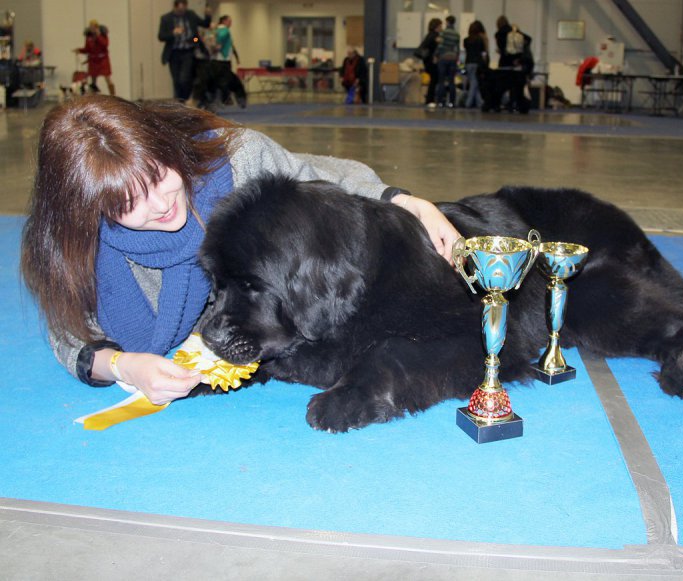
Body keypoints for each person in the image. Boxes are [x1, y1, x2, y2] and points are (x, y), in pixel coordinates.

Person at [20, 95, 460, 405]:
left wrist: (404, 200)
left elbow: (315, 177)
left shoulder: (234, 159)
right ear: (89, 211)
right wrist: (123, 366)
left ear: (162, 146)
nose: (159, 204)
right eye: (127, 202)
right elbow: (71, 335)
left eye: (156, 175)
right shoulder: (82, 247)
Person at [159, 0, 212, 101]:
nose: (182, 12)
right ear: (175, 7)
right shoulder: (166, 18)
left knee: (185, 78)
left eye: (184, 9)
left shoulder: (191, 15)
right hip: (174, 53)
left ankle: (185, 99)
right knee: (176, 80)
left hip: (188, 52)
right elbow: (161, 36)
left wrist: (208, 15)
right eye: (179, 10)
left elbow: (204, 26)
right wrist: (173, 33)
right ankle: (180, 101)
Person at [75, 20, 114, 96]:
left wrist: (98, 35)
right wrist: (79, 50)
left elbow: (105, 45)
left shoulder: (103, 35)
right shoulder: (89, 36)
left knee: (108, 79)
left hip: (103, 60)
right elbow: (87, 49)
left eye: (93, 26)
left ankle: (113, 96)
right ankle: (94, 96)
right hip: (93, 60)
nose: (92, 28)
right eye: (91, 26)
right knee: (93, 81)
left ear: (97, 27)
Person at [434, 15, 460, 108]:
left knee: (441, 81)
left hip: (443, 58)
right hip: (453, 58)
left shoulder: (443, 33)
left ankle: (441, 102)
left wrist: (436, 55)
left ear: (448, 22)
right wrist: (456, 58)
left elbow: (440, 46)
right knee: (451, 81)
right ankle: (452, 102)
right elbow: (457, 48)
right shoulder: (457, 34)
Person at [463, 20, 488, 109]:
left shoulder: (466, 40)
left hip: (468, 62)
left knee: (474, 82)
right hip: (477, 62)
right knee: (475, 83)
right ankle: (468, 102)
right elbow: (483, 52)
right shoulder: (480, 39)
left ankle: (479, 102)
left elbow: (466, 51)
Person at [418, 18, 442, 109]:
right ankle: (430, 99)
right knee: (434, 80)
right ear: (436, 27)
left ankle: (430, 98)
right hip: (431, 61)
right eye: (440, 26)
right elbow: (435, 49)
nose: (441, 28)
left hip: (427, 61)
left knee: (433, 80)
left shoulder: (429, 35)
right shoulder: (435, 36)